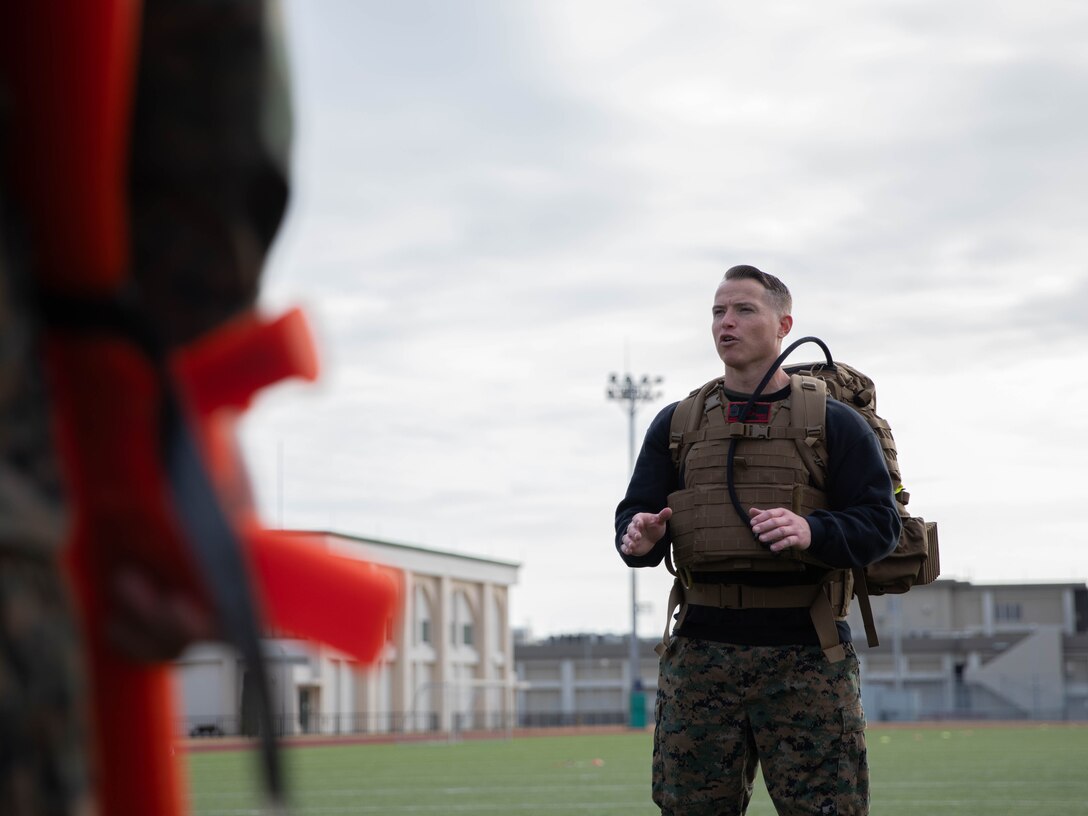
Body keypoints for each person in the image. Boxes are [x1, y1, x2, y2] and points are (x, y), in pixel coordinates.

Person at [615, 265, 901, 816]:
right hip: (700, 656)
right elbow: (634, 521)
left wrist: (812, 529)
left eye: (744, 309)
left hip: (806, 655)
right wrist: (640, 536)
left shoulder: (836, 424)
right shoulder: (676, 424)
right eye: (718, 312)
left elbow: (880, 525)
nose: (727, 322)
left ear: (783, 324)